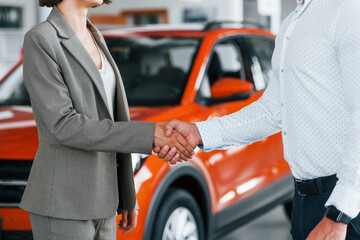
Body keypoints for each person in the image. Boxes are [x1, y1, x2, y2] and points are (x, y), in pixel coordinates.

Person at [155, 0, 360, 239]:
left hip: (345, 205)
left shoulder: (346, 9)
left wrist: (340, 213)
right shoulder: (291, 24)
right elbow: (271, 110)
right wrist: (199, 132)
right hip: (305, 200)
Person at [20, 0, 194, 239]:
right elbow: (64, 125)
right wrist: (149, 133)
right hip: (64, 202)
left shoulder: (94, 34)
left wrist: (127, 196)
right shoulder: (41, 39)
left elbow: (113, 118)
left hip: (105, 200)